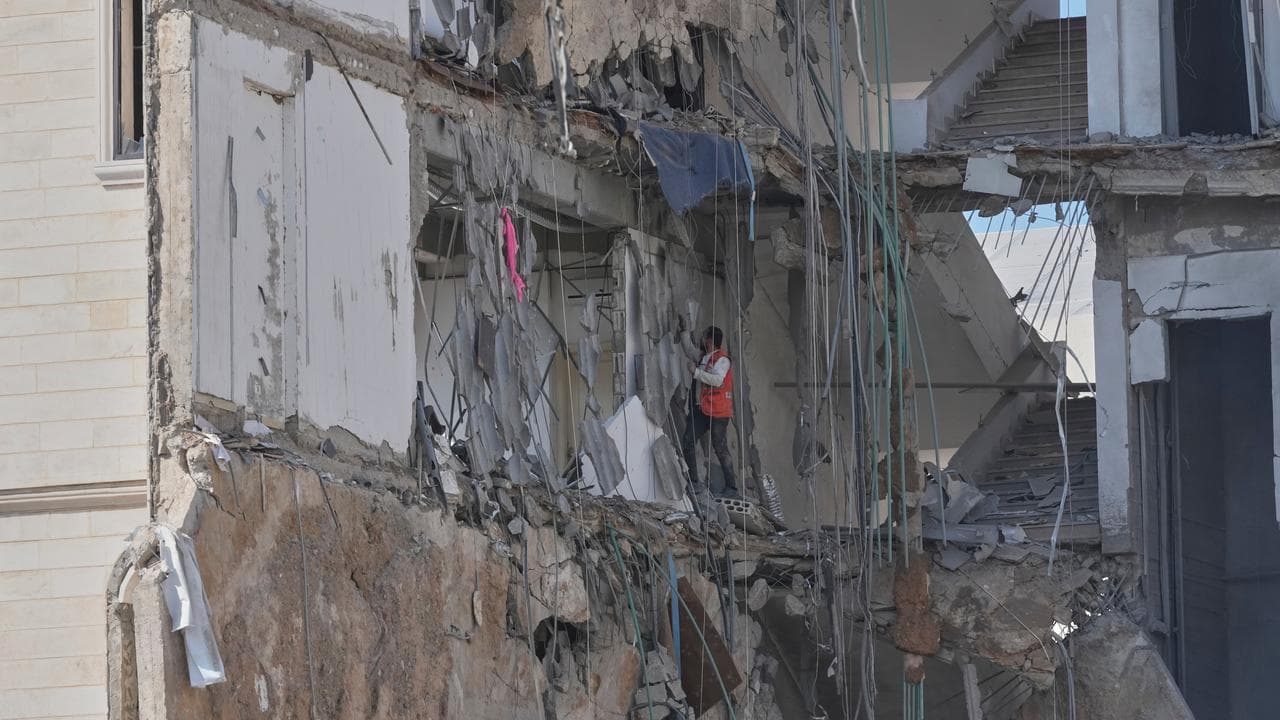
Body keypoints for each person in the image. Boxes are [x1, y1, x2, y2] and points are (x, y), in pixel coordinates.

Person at [680, 325, 738, 497]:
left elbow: (718, 381)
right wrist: (683, 331)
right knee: (688, 440)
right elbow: (689, 350)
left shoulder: (723, 360)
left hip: (718, 412)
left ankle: (732, 487)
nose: (701, 340)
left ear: (710, 341)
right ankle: (694, 482)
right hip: (702, 409)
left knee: (720, 448)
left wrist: (696, 372)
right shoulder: (704, 357)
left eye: (704, 337)